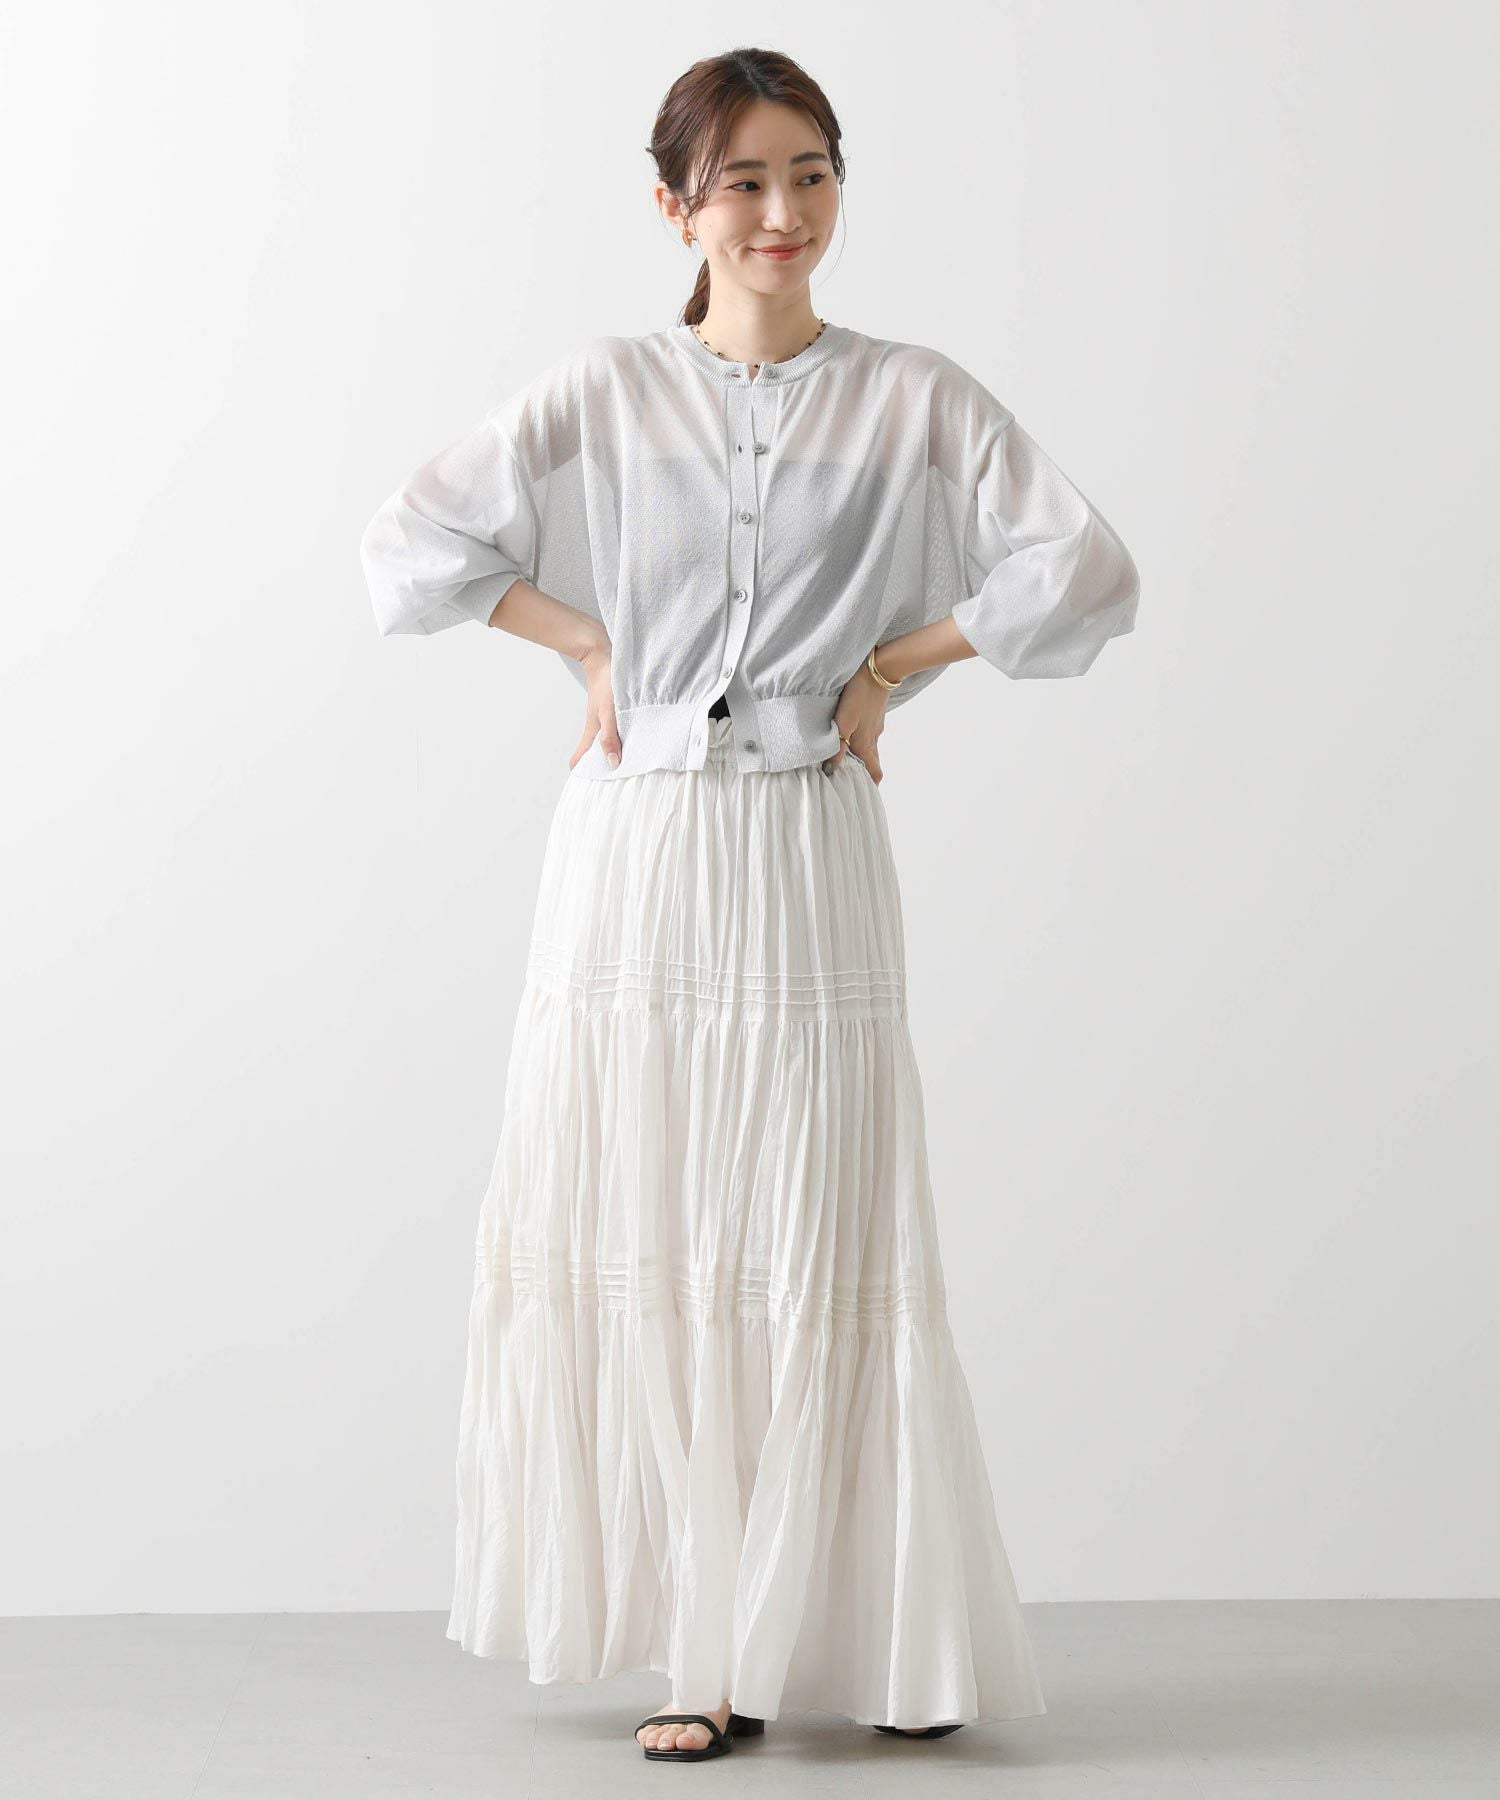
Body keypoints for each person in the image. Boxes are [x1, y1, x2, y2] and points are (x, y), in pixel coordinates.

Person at [359, 45, 1139, 1767]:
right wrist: (586, 642)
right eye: (745, 183)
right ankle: (702, 1651)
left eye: (812, 174)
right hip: (636, 853)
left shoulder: (914, 398)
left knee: (823, 1227)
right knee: (663, 1220)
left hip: (802, 848)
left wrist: (894, 663)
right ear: (676, 207)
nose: (783, 212)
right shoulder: (601, 390)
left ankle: (879, 1637)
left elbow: (1084, 568)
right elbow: (409, 544)